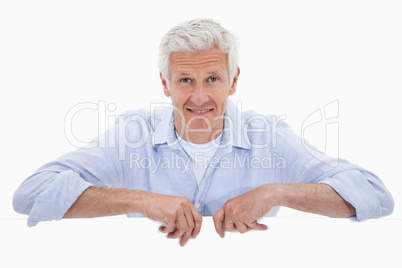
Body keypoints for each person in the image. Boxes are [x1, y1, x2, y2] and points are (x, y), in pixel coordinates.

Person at [13, 18, 394, 246]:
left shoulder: (269, 136)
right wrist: (143, 201)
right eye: (184, 80)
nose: (199, 96)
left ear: (233, 80)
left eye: (212, 78)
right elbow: (31, 194)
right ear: (165, 83)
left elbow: (374, 194)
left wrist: (276, 192)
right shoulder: (133, 133)